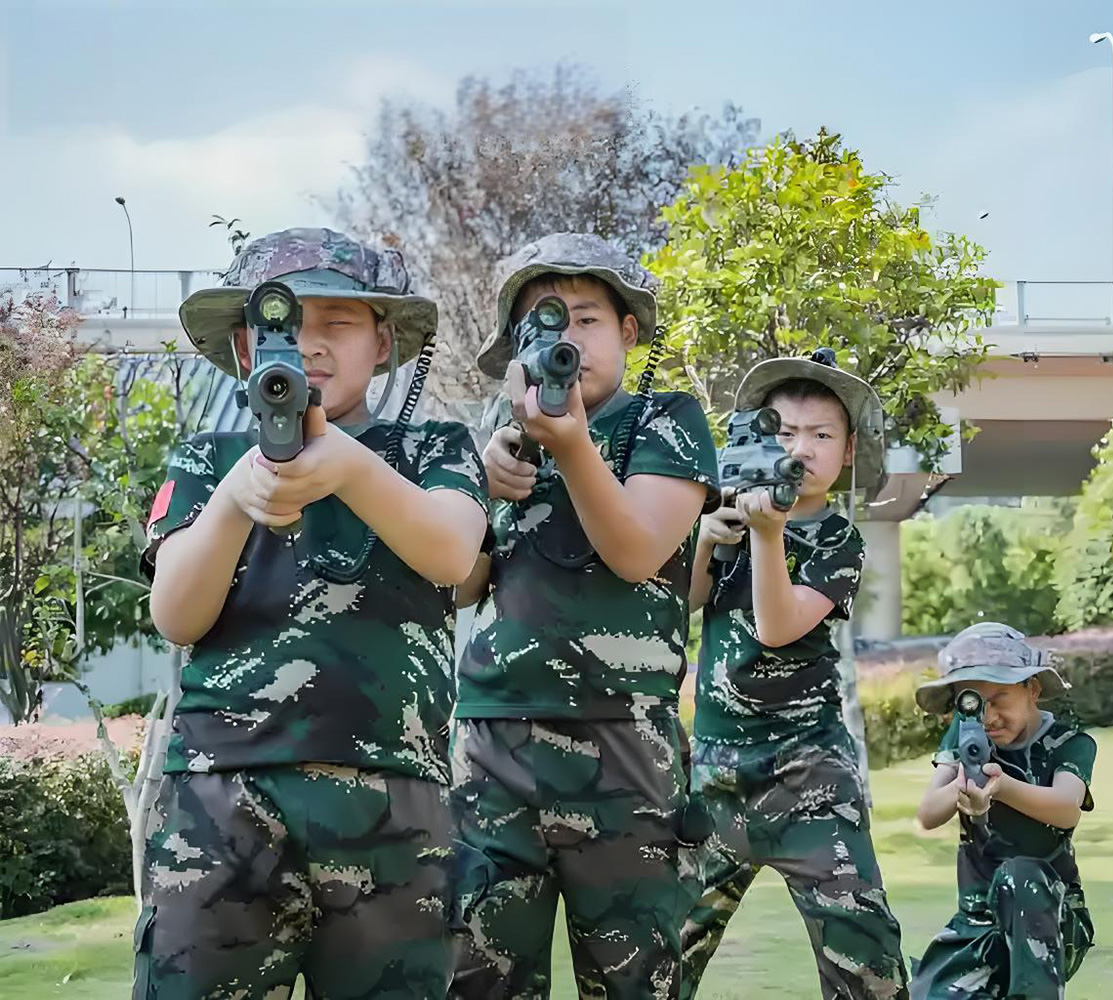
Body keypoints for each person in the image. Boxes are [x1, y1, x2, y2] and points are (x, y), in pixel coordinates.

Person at [136, 228, 489, 998]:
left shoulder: (432, 448)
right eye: (285, 324)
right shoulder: (205, 457)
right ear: (242, 347)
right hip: (220, 800)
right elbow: (177, 614)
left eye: (339, 321)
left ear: (383, 341)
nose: (310, 344)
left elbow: (454, 556)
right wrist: (236, 495)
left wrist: (351, 466)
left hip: (393, 804)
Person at [449, 233, 718, 999]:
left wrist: (566, 445)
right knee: (478, 982)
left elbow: (636, 549)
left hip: (623, 746)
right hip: (492, 744)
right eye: (542, 323)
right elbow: (463, 584)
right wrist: (481, 488)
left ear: (628, 332)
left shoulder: (665, 422)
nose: (564, 340)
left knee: (635, 983)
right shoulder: (498, 444)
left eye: (586, 320)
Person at [680, 351, 909, 1000]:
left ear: (848, 450)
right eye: (783, 432)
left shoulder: (839, 540)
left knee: (864, 956)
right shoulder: (723, 508)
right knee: (658, 951)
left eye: (821, 434)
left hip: (808, 773)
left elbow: (778, 627)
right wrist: (704, 539)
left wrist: (766, 536)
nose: (800, 448)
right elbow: (688, 602)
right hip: (717, 771)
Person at [910, 622, 1097, 1000]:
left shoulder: (1069, 742)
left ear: (1032, 689)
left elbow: (1066, 808)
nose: (989, 716)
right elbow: (927, 814)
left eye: (1000, 698)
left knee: (1021, 874)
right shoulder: (962, 738)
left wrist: (1003, 788)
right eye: (974, 703)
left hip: (1052, 916)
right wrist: (964, 787)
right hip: (979, 921)